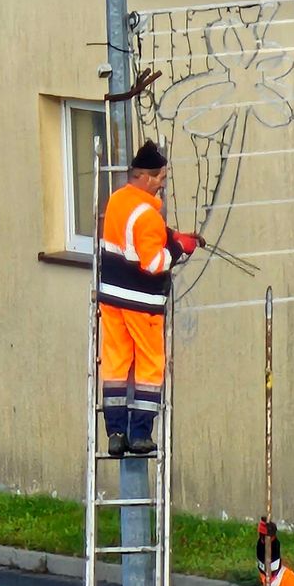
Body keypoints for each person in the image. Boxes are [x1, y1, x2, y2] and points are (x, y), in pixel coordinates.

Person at [97, 139, 204, 456]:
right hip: (142, 304)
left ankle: (115, 433)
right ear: (144, 176)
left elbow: (131, 238)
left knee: (115, 365)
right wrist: (179, 247)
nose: (162, 184)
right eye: (160, 178)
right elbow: (154, 262)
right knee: (149, 367)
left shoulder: (117, 201)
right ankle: (141, 433)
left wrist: (169, 234)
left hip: (112, 298)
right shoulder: (147, 216)